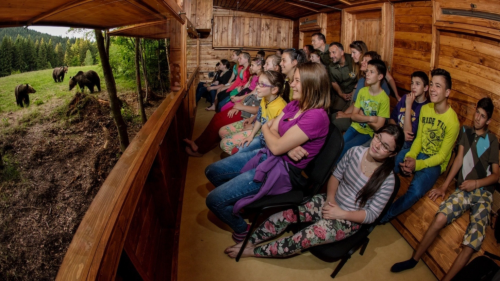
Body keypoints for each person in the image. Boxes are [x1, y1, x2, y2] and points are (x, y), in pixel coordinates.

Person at [224, 124, 405, 258]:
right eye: (378, 138)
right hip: (331, 201)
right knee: (285, 215)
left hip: (349, 218)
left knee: (300, 239)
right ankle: (249, 241)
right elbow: (336, 177)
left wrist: (340, 213)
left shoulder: (387, 180)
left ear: (392, 154)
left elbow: (371, 215)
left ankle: (253, 251)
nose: (377, 145)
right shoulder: (355, 152)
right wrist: (330, 200)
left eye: (385, 146)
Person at [205, 62, 331, 242]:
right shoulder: (295, 104)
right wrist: (277, 137)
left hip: (282, 171)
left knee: (213, 200)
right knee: (212, 171)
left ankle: (243, 230)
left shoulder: (316, 116)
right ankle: (240, 201)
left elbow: (276, 144)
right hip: (269, 155)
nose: (292, 84)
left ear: (312, 84)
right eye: (292, 80)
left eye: (296, 81)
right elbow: (270, 126)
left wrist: (277, 138)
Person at [390, 98, 498, 281]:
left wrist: (476, 184)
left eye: (482, 116)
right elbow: (457, 160)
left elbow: (496, 175)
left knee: (472, 241)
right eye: (477, 113)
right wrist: (444, 186)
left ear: (488, 120)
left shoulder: (492, 140)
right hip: (464, 189)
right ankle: (413, 259)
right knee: (440, 217)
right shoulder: (466, 131)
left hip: (483, 192)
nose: (477, 118)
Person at [380, 68, 460, 223]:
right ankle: (373, 202)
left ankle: (383, 217)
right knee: (391, 162)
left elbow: (442, 157)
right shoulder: (425, 109)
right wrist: (410, 157)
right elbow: (418, 140)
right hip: (418, 153)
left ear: (447, 92)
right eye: (432, 84)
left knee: (415, 190)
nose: (433, 89)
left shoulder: (453, 122)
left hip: (434, 163)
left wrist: (416, 164)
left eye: (438, 86)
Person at [219, 70, 287, 155]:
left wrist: (252, 130)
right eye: (258, 83)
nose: (257, 87)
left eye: (261, 84)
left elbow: (275, 133)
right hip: (259, 128)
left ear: (274, 89)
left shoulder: (281, 108)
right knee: (222, 131)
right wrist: (251, 135)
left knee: (225, 144)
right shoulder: (265, 99)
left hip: (265, 136)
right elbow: (260, 117)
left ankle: (238, 157)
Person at [337, 59, 389, 163]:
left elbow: (379, 126)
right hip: (354, 127)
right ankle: (330, 169)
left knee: (347, 148)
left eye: (371, 72)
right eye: (367, 71)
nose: (367, 74)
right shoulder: (362, 91)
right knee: (339, 145)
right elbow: (353, 116)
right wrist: (370, 118)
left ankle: (335, 171)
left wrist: (361, 116)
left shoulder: (384, 99)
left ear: (380, 76)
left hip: (367, 133)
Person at [332, 51, 391, 132]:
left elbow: (367, 111)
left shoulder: (378, 86)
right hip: (356, 115)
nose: (362, 62)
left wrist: (346, 115)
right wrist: (344, 114)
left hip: (364, 122)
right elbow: (356, 104)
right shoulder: (362, 80)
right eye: (363, 60)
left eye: (366, 61)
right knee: (332, 116)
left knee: (335, 123)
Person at [389, 71, 430, 150]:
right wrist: (399, 133)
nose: (413, 87)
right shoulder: (405, 97)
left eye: (417, 84)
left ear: (425, 88)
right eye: (412, 83)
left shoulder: (425, 108)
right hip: (396, 134)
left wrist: (408, 105)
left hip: (408, 144)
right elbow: (391, 120)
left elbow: (409, 135)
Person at [328, 42, 358, 113]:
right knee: (334, 112)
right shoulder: (331, 66)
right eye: (330, 53)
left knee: (348, 113)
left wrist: (353, 92)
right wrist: (341, 94)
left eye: (334, 52)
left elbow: (361, 79)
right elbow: (334, 82)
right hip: (342, 93)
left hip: (355, 92)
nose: (331, 55)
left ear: (342, 52)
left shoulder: (353, 61)